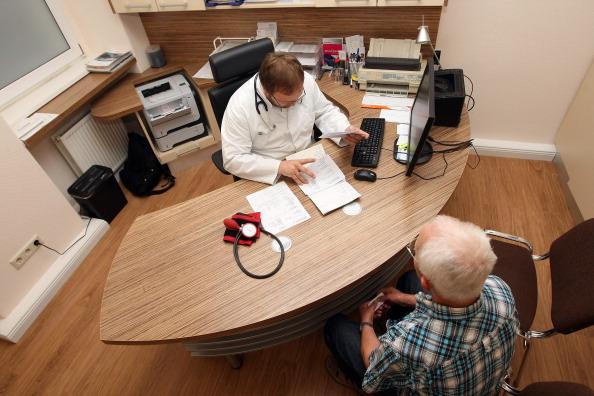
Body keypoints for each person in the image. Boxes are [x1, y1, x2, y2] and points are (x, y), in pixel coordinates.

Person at [324, 215, 519, 395]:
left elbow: (372, 361)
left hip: (418, 372)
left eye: (414, 252)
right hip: (480, 383)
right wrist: (403, 298)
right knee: (409, 280)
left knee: (335, 327)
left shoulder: (409, 344)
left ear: (425, 282)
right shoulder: (501, 289)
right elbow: (454, 304)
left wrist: (366, 320)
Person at [221, 53, 368, 185]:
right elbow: (232, 159)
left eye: (299, 98)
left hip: (309, 159)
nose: (295, 104)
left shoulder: (307, 82)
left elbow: (324, 111)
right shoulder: (240, 106)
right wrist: (279, 167)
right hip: (271, 172)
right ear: (266, 91)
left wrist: (343, 129)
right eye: (287, 102)